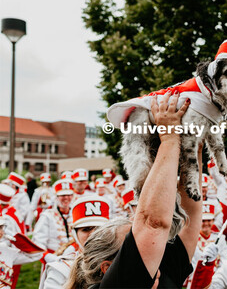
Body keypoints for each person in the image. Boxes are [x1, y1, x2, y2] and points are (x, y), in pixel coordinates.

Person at [65, 90, 199, 289]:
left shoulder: (161, 273)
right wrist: (170, 138)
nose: (145, 239)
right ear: (108, 268)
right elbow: (152, 224)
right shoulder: (113, 286)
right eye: (133, 243)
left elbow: (189, 216)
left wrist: (193, 142)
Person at [39, 195, 111, 289]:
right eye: (86, 229)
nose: (93, 234)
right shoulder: (61, 269)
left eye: (100, 228)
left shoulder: (120, 261)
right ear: (75, 234)